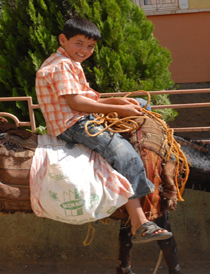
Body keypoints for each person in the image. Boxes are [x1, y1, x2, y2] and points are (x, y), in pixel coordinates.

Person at [35, 17, 172, 243]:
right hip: (73, 124)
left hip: (83, 116)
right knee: (125, 154)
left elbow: (88, 97)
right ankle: (139, 222)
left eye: (90, 46)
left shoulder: (69, 62)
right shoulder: (60, 66)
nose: (84, 50)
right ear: (63, 39)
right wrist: (118, 110)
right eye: (79, 43)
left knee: (141, 103)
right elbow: (77, 104)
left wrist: (118, 102)